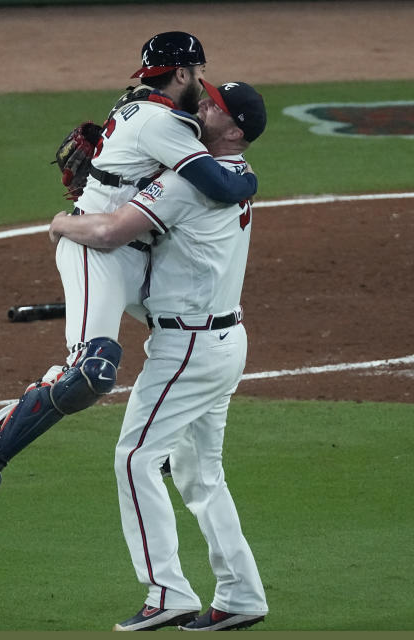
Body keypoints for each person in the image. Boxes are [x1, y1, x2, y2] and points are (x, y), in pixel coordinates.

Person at [0, 33, 260, 506]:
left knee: (193, 334)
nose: (203, 88)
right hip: (96, 248)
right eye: (199, 75)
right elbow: (220, 184)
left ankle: (162, 440)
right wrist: (251, 177)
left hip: (141, 255)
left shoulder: (149, 108)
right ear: (182, 73)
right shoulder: (161, 121)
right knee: (95, 371)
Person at [48, 80, 269, 632]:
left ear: (235, 131)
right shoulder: (228, 177)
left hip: (189, 344)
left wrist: (59, 222)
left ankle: (166, 590)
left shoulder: (186, 184)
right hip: (220, 341)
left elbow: (105, 234)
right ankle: (241, 594)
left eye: (216, 106)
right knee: (200, 473)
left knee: (135, 458)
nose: (204, 103)